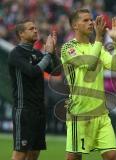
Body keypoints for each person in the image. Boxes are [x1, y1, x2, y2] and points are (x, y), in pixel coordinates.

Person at [60, 9, 116, 160]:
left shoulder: (97, 47)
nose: (91, 22)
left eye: (91, 20)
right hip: (79, 113)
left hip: (101, 113)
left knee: (112, 156)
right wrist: (99, 37)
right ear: (75, 25)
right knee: (74, 157)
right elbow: (89, 63)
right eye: (85, 20)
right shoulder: (68, 48)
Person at [8, 19, 60, 160]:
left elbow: (57, 71)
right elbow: (33, 72)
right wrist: (48, 55)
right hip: (24, 110)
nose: (36, 30)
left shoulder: (37, 53)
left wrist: (53, 51)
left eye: (36, 28)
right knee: (20, 153)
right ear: (21, 34)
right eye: (31, 29)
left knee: (34, 153)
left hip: (38, 109)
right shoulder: (16, 54)